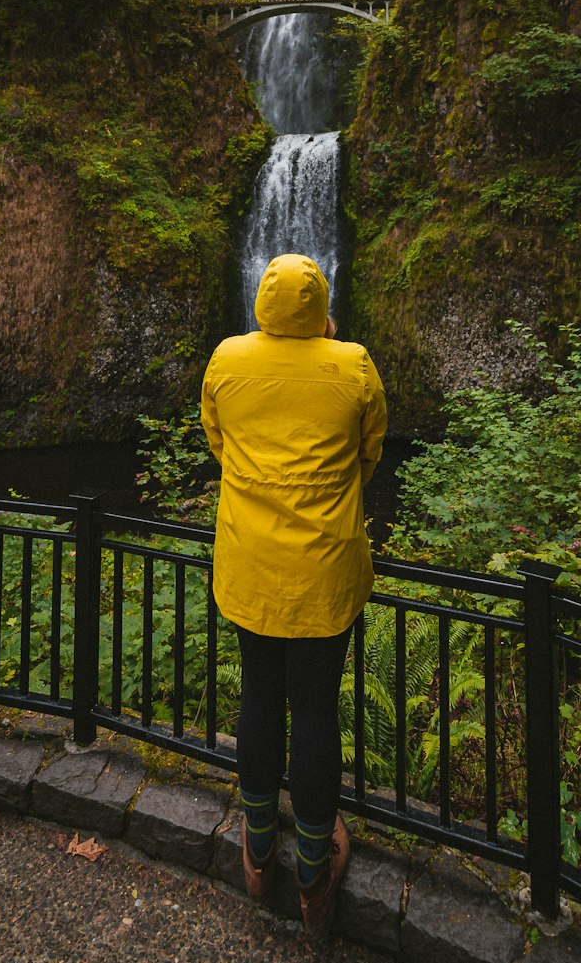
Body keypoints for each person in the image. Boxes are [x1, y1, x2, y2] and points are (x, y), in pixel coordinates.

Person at [201, 252, 387, 940]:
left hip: (250, 566)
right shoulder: (353, 363)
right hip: (324, 572)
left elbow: (219, 440)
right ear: (320, 306)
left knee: (257, 694)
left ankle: (256, 847)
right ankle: (313, 869)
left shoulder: (226, 358)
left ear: (262, 302)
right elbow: (371, 450)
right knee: (313, 708)